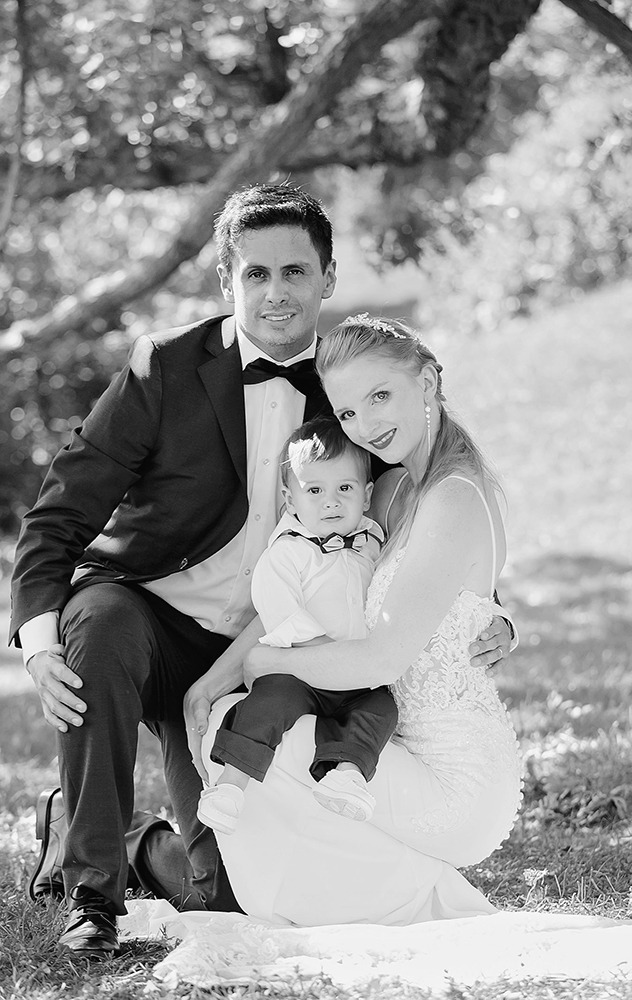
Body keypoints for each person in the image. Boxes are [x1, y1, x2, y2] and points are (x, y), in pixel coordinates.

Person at [10, 184, 512, 958]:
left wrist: (487, 608)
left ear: (328, 278)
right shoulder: (163, 369)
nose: (276, 292)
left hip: (260, 650)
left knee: (232, 894)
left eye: (295, 272)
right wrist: (40, 645)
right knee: (99, 631)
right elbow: (59, 514)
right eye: (256, 273)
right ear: (227, 280)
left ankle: (139, 841)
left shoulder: (350, 389)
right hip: (148, 616)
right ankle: (91, 891)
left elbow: (426, 511)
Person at [189, 314, 523, 927]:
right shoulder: (393, 490)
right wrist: (217, 677)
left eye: (380, 396)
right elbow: (324, 588)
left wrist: (264, 662)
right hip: (389, 743)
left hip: (454, 780)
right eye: (346, 412)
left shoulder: (451, 494)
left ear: (427, 382)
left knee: (249, 735)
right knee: (239, 722)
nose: (365, 426)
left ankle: (416, 894)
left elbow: (381, 658)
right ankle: (366, 885)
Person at [198, 415, 397, 835]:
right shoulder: (286, 554)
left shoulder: (374, 542)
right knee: (270, 702)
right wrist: (330, 654)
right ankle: (231, 784)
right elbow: (281, 611)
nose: (331, 502)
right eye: (315, 491)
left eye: (345, 489)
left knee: (380, 709)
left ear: (367, 495)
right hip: (300, 668)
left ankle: (346, 774)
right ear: (291, 499)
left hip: (359, 676)